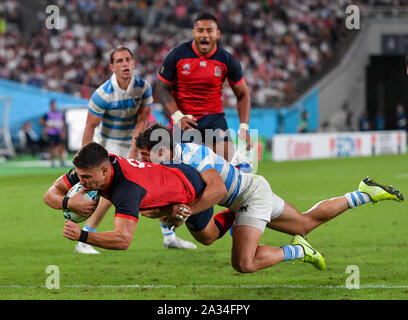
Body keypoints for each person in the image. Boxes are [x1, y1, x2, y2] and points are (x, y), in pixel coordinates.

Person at [135, 123, 404, 273]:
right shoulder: (169, 162)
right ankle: (363, 194)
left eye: (146, 156)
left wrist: (185, 211)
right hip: (249, 190)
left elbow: (216, 190)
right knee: (304, 224)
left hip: (250, 196)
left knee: (244, 263)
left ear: (162, 150)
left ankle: (298, 250)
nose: (143, 162)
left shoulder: (191, 155)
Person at [44, 142, 324, 273]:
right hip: (165, 185)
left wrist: (81, 235)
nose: (81, 182)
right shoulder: (95, 166)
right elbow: (51, 193)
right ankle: (239, 210)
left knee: (210, 238)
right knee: (165, 217)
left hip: (190, 187)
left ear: (105, 171)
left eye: (86, 179)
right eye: (79, 177)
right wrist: (69, 201)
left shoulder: (128, 189)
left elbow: (123, 239)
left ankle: (247, 212)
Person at [75, 45, 196, 254]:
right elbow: (90, 126)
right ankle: (84, 238)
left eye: (127, 60)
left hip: (136, 142)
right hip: (109, 145)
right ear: (112, 67)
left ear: (133, 63)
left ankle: (169, 236)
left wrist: (134, 150)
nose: (124, 64)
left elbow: (142, 120)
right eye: (119, 61)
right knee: (110, 193)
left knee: (158, 180)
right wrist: (86, 158)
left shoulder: (144, 87)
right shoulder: (102, 94)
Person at [156, 12, 251, 161]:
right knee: (188, 171)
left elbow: (243, 94)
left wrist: (244, 126)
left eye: (209, 31)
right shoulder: (177, 55)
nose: (204, 35)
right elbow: (161, 88)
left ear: (217, 33)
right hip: (184, 119)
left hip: (214, 118)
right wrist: (177, 116)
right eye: (200, 31)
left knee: (228, 164)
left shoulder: (227, 60)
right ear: (193, 33)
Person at [39, 99, 66, 167]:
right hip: (51, 133)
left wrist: (63, 132)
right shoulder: (47, 114)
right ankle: (52, 161)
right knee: (51, 148)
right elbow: (41, 121)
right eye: (52, 105)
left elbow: (63, 124)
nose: (53, 106)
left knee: (60, 147)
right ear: (50, 105)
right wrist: (46, 125)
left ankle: (61, 161)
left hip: (58, 133)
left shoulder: (60, 114)